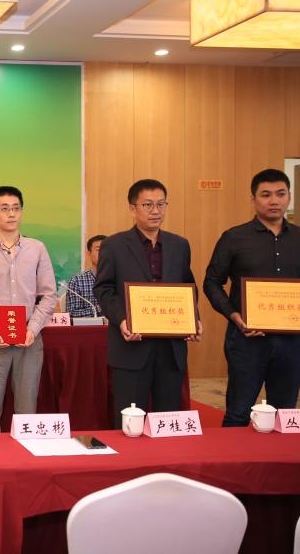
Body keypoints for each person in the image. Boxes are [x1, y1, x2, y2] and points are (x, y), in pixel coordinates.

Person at [203, 168, 300, 427]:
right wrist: (233, 315)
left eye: (281, 194)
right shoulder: (234, 237)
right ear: (253, 199)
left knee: (285, 414)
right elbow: (211, 282)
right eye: (266, 195)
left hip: (292, 340)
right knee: (238, 411)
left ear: (289, 196)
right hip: (247, 339)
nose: (274, 201)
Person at [94, 179, 201, 427]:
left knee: (167, 419)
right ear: (133, 208)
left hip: (171, 348)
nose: (156, 211)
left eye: (161, 204)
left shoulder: (180, 245)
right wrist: (122, 320)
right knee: (129, 419)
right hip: (131, 347)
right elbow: (104, 289)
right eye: (148, 205)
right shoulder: (114, 245)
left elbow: (188, 287)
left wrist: (193, 319)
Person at [0, 186, 57, 431]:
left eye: (16, 208)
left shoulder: (37, 248)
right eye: (4, 208)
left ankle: (25, 456)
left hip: (28, 338)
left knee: (27, 413)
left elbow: (49, 295)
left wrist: (33, 329)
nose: (11, 213)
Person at [65, 235, 106, 317]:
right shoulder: (77, 281)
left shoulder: (119, 279)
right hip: (90, 325)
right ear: (89, 253)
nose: (103, 253)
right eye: (98, 250)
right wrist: (101, 309)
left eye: (107, 249)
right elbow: (72, 314)